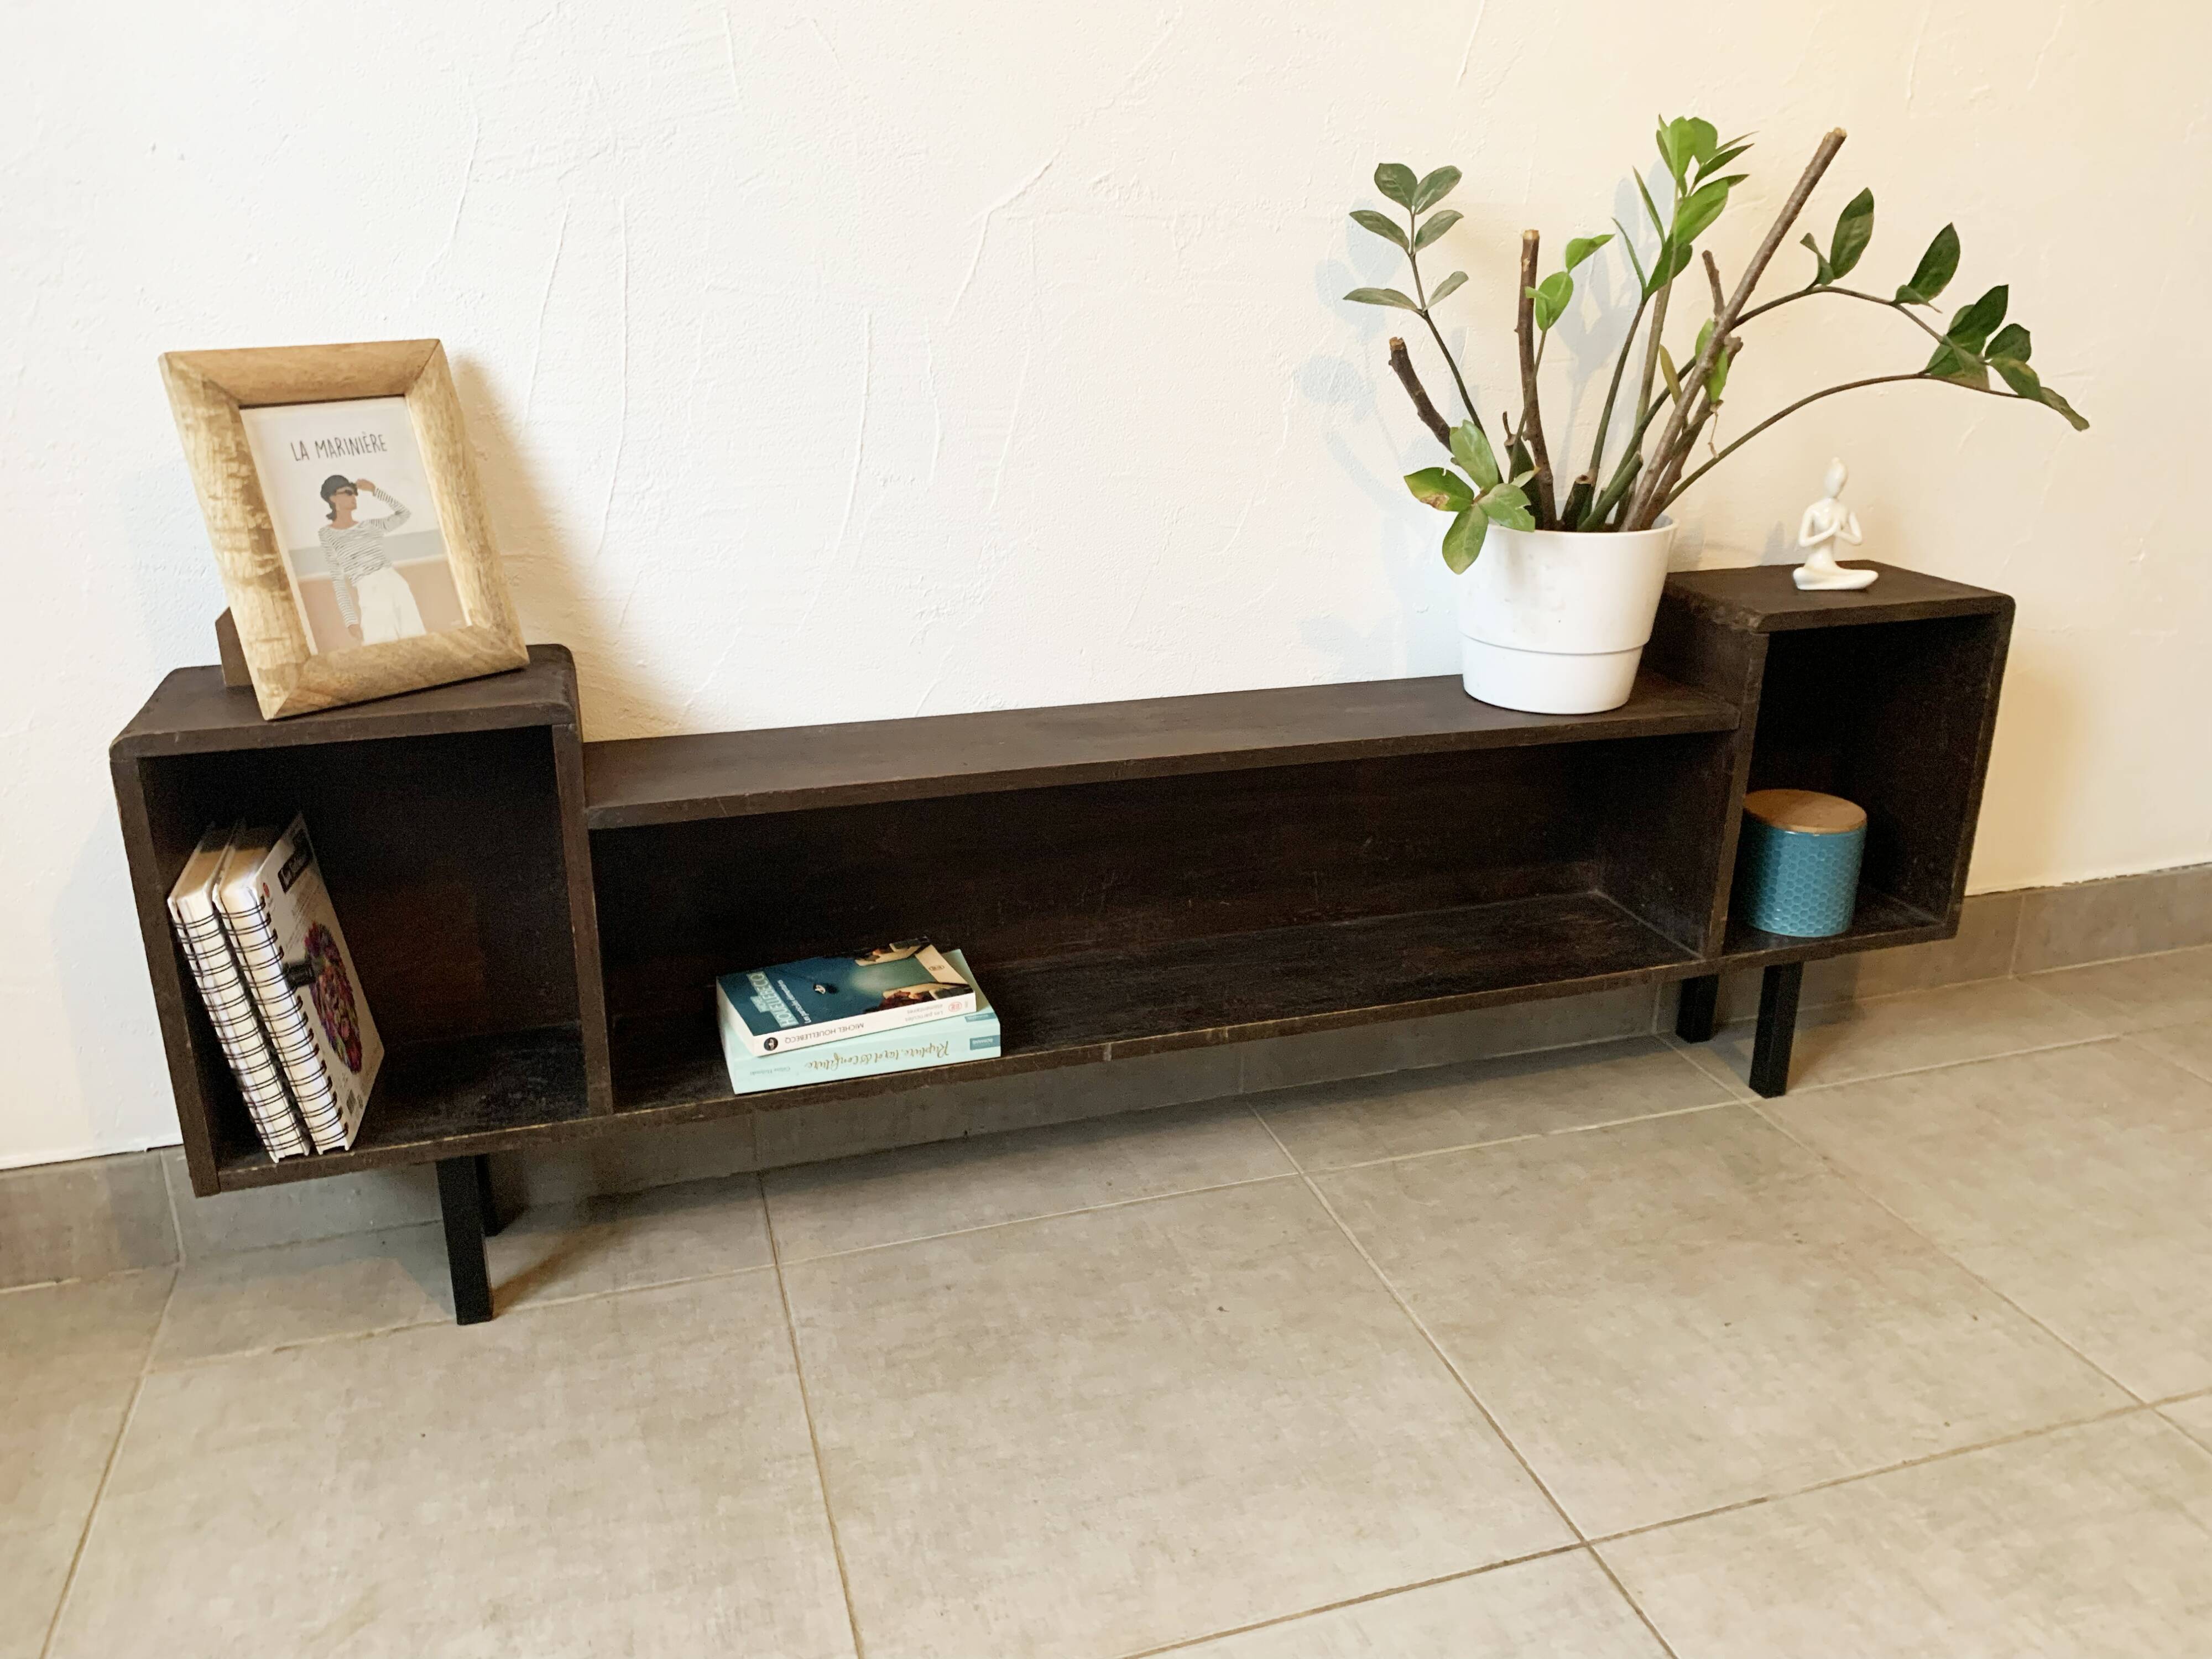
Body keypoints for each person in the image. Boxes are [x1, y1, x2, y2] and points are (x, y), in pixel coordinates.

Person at [317, 475, 428, 645]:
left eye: (355, 493)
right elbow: (337, 579)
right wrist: (350, 620)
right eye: (348, 492)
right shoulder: (327, 534)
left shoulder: (369, 526)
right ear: (332, 498)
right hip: (369, 591)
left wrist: (375, 491)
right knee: (381, 648)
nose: (354, 497)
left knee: (416, 642)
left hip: (395, 583)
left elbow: (404, 514)